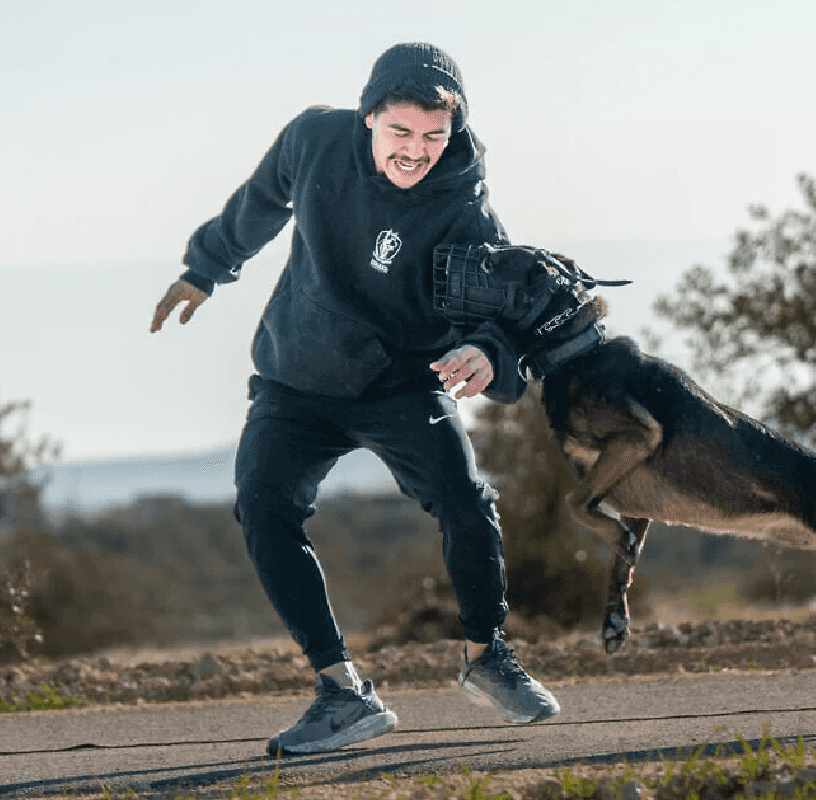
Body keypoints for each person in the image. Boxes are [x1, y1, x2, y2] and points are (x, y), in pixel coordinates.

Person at [150, 42, 559, 756]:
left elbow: (501, 313)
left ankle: (486, 654)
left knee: (466, 500)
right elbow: (261, 201)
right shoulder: (313, 139)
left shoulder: (462, 205)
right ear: (370, 117)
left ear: (452, 130)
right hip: (296, 375)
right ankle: (342, 692)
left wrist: (488, 353)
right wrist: (207, 269)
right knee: (263, 503)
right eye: (400, 132)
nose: (416, 152)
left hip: (400, 379)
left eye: (433, 137)